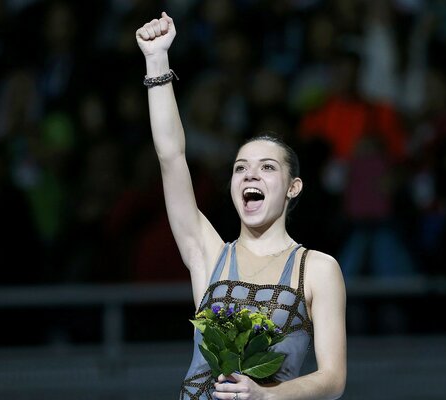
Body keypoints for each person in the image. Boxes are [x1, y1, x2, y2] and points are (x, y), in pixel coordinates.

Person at [136, 12, 347, 400]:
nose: (250, 175)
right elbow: (171, 156)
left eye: (267, 168)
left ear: (293, 187)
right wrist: (156, 59)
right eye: (240, 168)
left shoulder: (318, 268)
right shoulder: (209, 255)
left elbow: (332, 379)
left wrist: (267, 396)